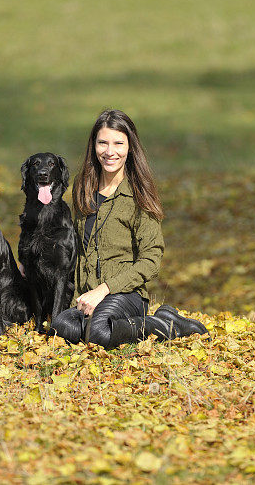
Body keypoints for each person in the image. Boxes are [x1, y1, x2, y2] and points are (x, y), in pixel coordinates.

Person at [49, 109, 209, 349]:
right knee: (61, 328)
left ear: (130, 147)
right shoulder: (84, 186)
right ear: (93, 145)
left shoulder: (138, 194)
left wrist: (104, 289)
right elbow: (74, 242)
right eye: (103, 142)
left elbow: (151, 260)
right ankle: (104, 323)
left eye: (118, 143)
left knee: (98, 334)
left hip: (126, 294)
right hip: (87, 294)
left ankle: (164, 323)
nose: (110, 151)